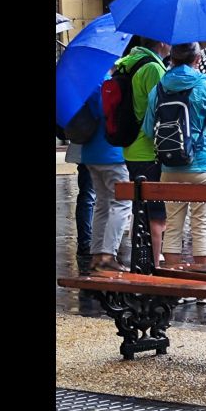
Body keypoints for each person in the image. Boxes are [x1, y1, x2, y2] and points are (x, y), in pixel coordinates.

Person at [145, 43, 206, 284]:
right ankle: (202, 286)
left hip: (170, 167)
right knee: (201, 227)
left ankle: (175, 283)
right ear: (198, 58)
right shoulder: (203, 85)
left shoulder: (159, 88)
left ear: (172, 59)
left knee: (173, 226)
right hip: (203, 164)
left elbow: (149, 128)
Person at [115, 36, 170, 264]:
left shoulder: (127, 62)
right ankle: (153, 263)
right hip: (149, 148)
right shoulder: (153, 68)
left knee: (141, 208)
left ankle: (142, 257)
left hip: (131, 147)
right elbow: (161, 111)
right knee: (155, 211)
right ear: (162, 43)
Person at [83, 82, 131, 272]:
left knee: (102, 204)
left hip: (90, 153)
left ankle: (96, 254)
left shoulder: (83, 86)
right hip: (112, 153)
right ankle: (108, 255)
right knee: (122, 202)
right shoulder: (106, 84)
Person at [64, 141, 95, 265]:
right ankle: (88, 243)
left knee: (88, 197)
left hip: (85, 151)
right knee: (93, 198)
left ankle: (85, 243)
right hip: (103, 152)